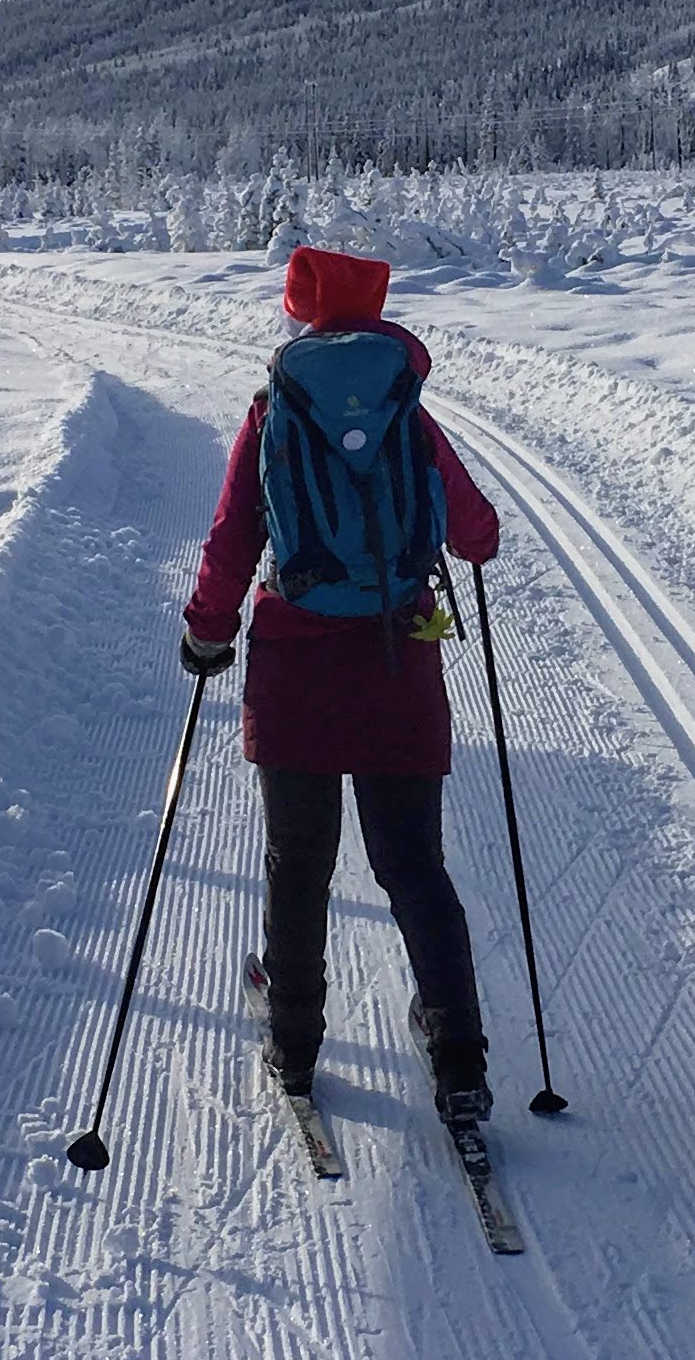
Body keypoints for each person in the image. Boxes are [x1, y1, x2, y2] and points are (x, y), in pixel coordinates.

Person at [181, 245, 505, 1119]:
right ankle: (460, 1058)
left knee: (301, 864)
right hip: (399, 659)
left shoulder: (273, 409)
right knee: (413, 866)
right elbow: (477, 533)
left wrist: (207, 633)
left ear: (303, 313)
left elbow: (231, 537)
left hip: (295, 661)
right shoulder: (410, 409)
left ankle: (293, 1044)